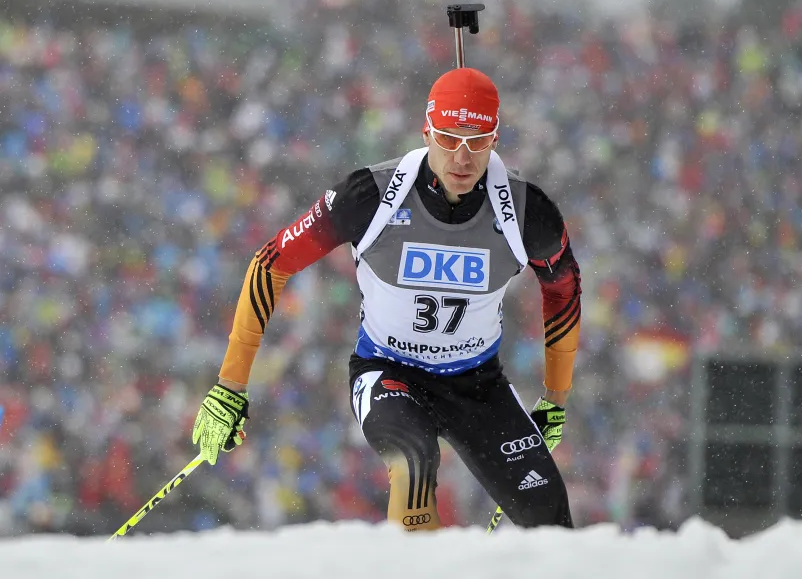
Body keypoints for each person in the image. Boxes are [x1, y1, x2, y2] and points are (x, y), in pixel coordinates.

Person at [191, 67, 582, 530]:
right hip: (389, 371)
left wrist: (555, 397)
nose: (461, 156)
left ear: (495, 139)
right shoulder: (371, 196)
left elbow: (563, 288)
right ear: (425, 133)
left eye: (476, 140)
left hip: (478, 383)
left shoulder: (525, 211)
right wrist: (229, 384)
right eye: (447, 137)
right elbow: (270, 263)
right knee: (413, 459)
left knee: (552, 524)